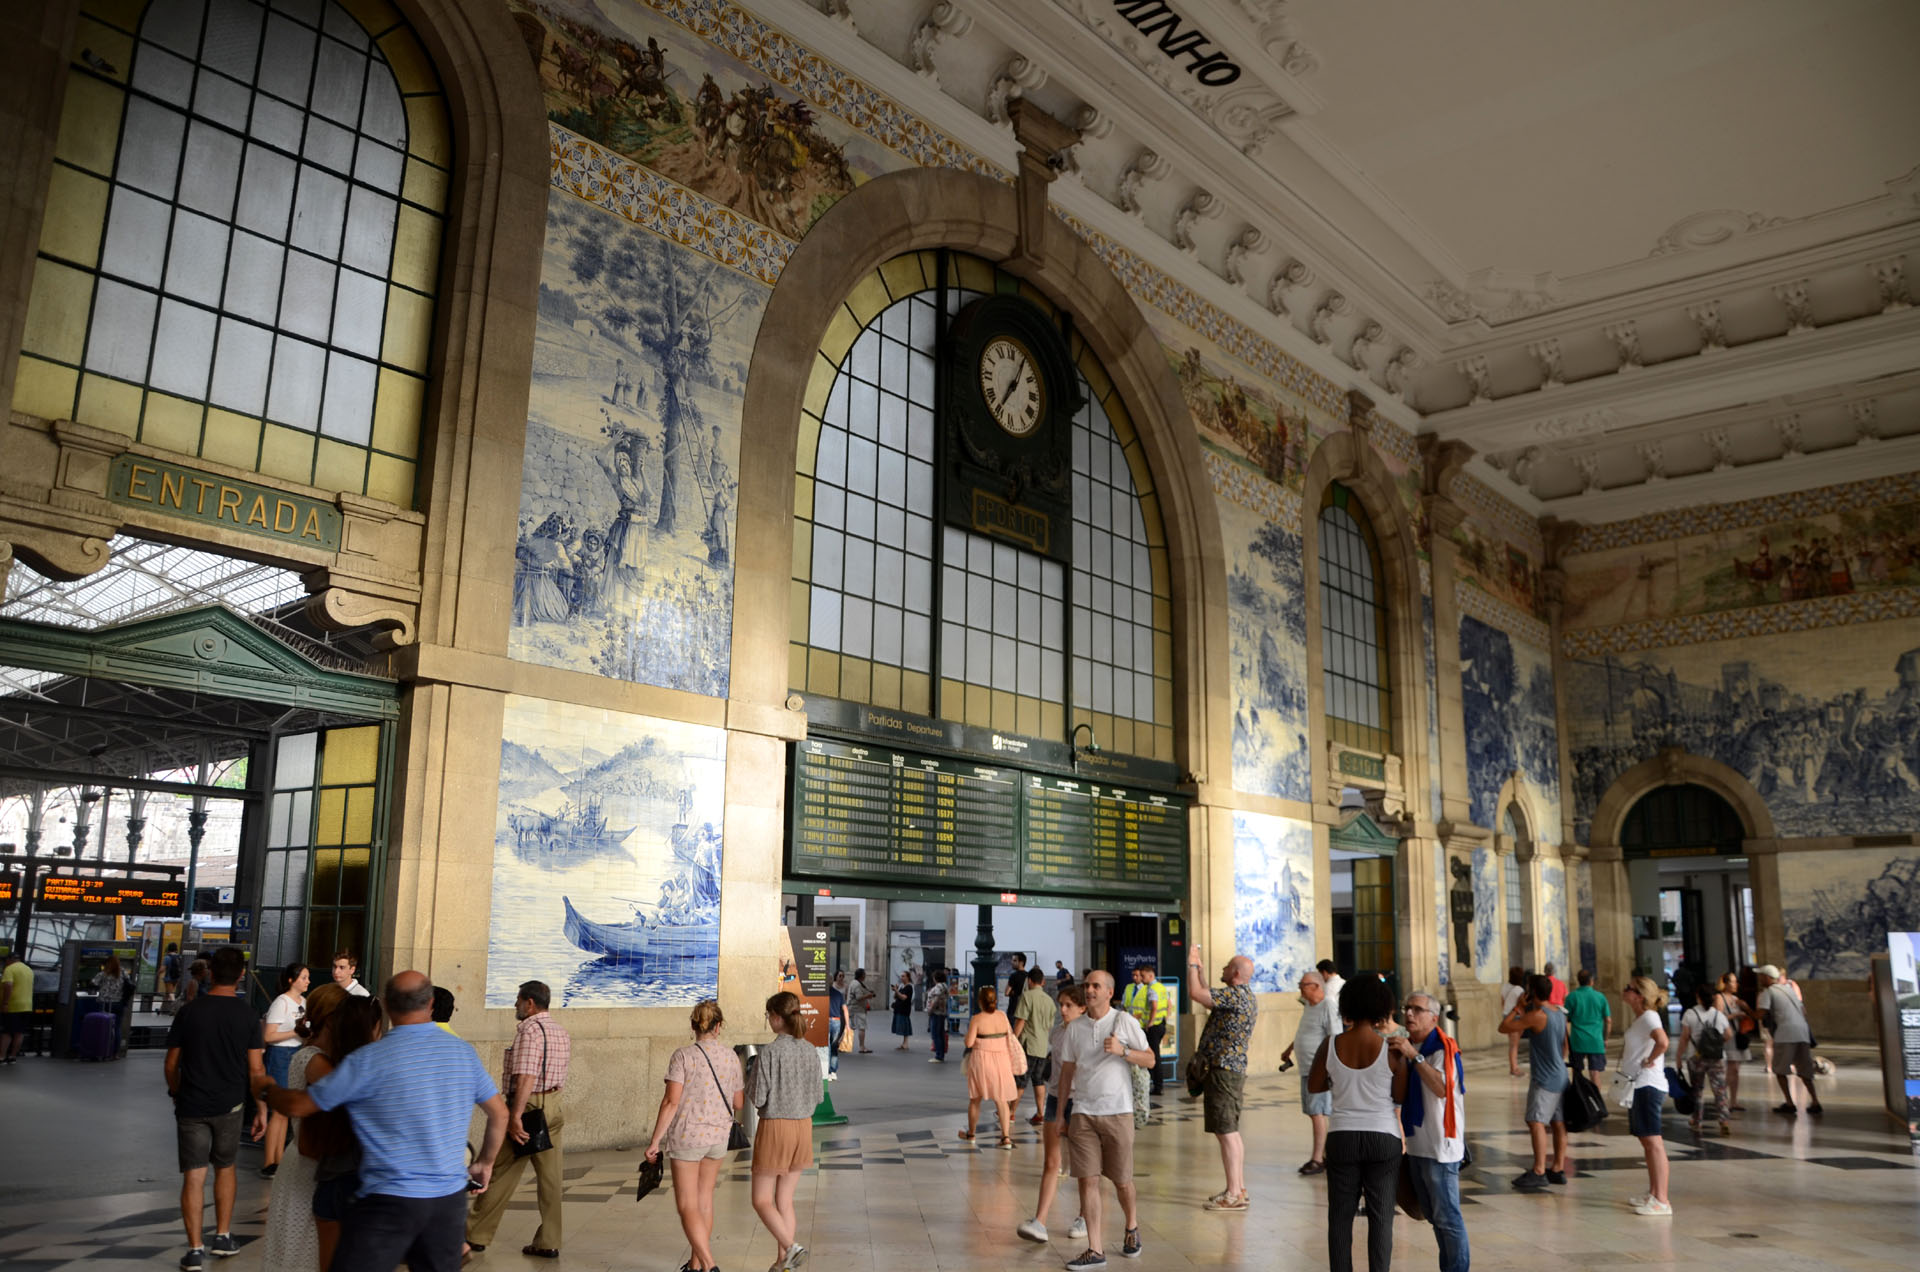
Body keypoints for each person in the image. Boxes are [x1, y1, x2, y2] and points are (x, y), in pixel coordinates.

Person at [256, 972, 509, 1272]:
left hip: (389, 1198)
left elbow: (301, 1105)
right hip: (446, 1200)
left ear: (387, 1006)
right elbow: (499, 1113)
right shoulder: (463, 1052)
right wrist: (485, 1162)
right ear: (430, 1004)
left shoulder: (368, 1060)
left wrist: (264, 1087)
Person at [165, 946, 266, 1271]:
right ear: (240, 976)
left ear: (209, 972)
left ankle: (194, 1249)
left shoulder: (190, 1012)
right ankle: (222, 1236)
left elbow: (171, 1064)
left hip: (192, 1104)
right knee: (226, 1167)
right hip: (231, 1104)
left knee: (193, 1177)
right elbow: (256, 1070)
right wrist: (261, 1108)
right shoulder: (248, 1016)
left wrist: (177, 1091)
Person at [1054, 970, 1154, 1269]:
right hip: (1083, 1111)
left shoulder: (1123, 1021)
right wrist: (1061, 1114)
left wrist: (1123, 1051)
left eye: (1096, 986)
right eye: (1087, 986)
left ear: (1109, 992)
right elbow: (1067, 1073)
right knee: (1088, 1179)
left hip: (1117, 1111)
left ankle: (1132, 1226)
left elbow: (1149, 1059)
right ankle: (1095, 1249)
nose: (1090, 990)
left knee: (1122, 1181)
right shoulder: (1075, 1029)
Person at [1310, 973, 1407, 1272]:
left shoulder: (1330, 1044)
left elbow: (1315, 1086)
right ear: (1382, 1007)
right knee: (1381, 1218)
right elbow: (1399, 1095)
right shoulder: (1392, 1050)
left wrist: (1340, 1079)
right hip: (1383, 1136)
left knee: (1340, 1217)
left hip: (1342, 1136)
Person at [466, 980, 570, 1259]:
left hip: (529, 1107)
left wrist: (514, 1117)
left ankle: (474, 1234)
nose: (515, 1004)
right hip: (554, 1106)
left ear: (530, 1003)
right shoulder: (560, 1031)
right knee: (551, 1180)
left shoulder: (530, 1032)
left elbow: (526, 1077)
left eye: (518, 999)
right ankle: (549, 1241)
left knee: (500, 1172)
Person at [644, 999, 743, 1272]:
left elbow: (670, 1102)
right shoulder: (731, 1057)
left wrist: (655, 1141)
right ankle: (695, 1265)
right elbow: (738, 1103)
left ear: (693, 1025)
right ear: (719, 1026)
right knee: (704, 1201)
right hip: (719, 1138)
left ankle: (709, 1265)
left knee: (687, 1204)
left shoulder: (683, 1056)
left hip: (688, 1138)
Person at [257, 982, 349, 1272]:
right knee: (307, 1253)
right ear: (334, 1019)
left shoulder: (316, 1055)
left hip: (304, 1162)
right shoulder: (316, 1060)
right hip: (310, 1168)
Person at [306, 994, 388, 1270]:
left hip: (332, 1176)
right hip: (373, 1182)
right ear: (374, 1027)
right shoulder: (380, 1071)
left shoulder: (324, 1066)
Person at [1392, 991, 1469, 1272]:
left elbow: (1441, 1088)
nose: (1409, 1014)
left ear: (1434, 1017)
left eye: (1417, 1009)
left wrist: (1414, 1056)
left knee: (1448, 1218)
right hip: (1417, 1145)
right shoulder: (1414, 1046)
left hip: (1440, 1147)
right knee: (1436, 1219)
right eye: (1406, 1008)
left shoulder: (1443, 1049)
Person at [749, 991, 817, 1272]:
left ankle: (790, 1247)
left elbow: (758, 1097)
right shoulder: (810, 1050)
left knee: (761, 1199)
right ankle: (782, 1264)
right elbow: (817, 1096)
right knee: (784, 1199)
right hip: (803, 1127)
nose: (768, 1020)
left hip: (776, 1127)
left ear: (777, 1018)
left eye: (768, 1015)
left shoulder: (769, 1053)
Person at [1186, 944, 1257, 1211]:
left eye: (1227, 966)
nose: (1223, 969)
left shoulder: (1236, 996)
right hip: (1230, 1071)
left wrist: (1192, 964)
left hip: (1224, 1072)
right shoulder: (1240, 995)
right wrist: (1201, 972)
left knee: (1226, 1132)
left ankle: (1234, 1194)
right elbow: (1205, 994)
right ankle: (1237, 1189)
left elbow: (1195, 994)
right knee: (1230, 1132)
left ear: (1236, 973)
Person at [1017, 983, 1089, 1245]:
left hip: (1080, 1102)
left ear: (1083, 1007)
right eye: (1061, 1004)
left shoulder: (1088, 1034)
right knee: (1051, 1162)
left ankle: (1084, 1216)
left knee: (1084, 1166)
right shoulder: (1058, 1033)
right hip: (1055, 1099)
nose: (1063, 1009)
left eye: (1069, 1005)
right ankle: (1040, 1221)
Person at [1501, 973, 1569, 1192]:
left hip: (1545, 1077)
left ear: (1531, 992)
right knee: (1558, 1123)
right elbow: (1565, 1044)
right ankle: (1557, 1168)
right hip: (1560, 1073)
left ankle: (1539, 1170)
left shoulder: (1538, 1015)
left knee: (1535, 1120)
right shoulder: (1559, 1013)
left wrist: (1518, 1007)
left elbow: (1505, 1027)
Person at [1620, 976, 1672, 1216]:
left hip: (1648, 1085)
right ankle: (1653, 1193)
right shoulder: (1641, 1018)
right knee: (1646, 1141)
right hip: (1638, 1085)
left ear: (1639, 996)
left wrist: (1650, 1061)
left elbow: (1663, 1042)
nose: (1624, 990)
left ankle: (1662, 1200)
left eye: (1629, 988)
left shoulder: (1650, 1017)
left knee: (1654, 1142)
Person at [1282, 970, 1335, 1175]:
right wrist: (1290, 1049)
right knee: (1314, 1112)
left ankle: (1318, 1158)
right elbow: (1305, 1032)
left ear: (1316, 987)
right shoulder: (1309, 1007)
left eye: (1303, 985)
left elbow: (1334, 1036)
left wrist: (1328, 1067)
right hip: (1307, 1068)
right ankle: (1322, 1155)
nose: (1300, 988)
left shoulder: (1327, 1006)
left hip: (1319, 1069)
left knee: (1317, 1112)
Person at [259, 961, 309, 1179]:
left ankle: (279, 1159)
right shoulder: (282, 1002)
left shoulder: (304, 1002)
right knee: (278, 1111)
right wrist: (294, 1033)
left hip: (296, 1053)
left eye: (308, 977)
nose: (308, 981)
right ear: (291, 980)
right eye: (303, 977)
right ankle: (270, 1161)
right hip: (281, 1055)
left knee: (287, 1111)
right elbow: (269, 1036)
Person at [1754, 964, 1821, 1115]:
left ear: (1767, 977)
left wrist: (1745, 1009)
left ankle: (1790, 1103)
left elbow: (1759, 1014)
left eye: (1761, 976)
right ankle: (1815, 1101)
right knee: (1805, 1070)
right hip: (1802, 1032)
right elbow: (1803, 1010)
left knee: (1780, 1069)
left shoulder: (1768, 992)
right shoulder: (1789, 989)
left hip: (1785, 1034)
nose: (1759, 978)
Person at [962, 985, 1018, 1149]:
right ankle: (1006, 1137)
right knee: (1001, 1100)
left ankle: (971, 1134)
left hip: (981, 1060)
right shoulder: (1002, 1016)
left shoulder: (977, 1019)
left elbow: (969, 1043)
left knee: (975, 1099)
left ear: (980, 1001)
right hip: (1001, 1060)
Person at [1675, 983, 1733, 1136]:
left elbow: (1684, 1038)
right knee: (1720, 1090)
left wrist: (1678, 1057)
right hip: (1717, 1058)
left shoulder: (1690, 1014)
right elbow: (1728, 1035)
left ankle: (1697, 1120)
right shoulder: (1719, 1015)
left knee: (1697, 1090)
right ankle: (1724, 1121)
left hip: (1696, 1057)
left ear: (1698, 997)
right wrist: (1715, 1044)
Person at [1015, 966, 1058, 1125]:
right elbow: (1049, 1026)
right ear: (1044, 982)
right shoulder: (1049, 1001)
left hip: (1028, 1045)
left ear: (1030, 981)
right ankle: (1040, 1113)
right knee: (1038, 1080)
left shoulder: (1027, 996)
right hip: (1042, 1046)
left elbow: (1021, 1021)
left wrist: (1013, 1040)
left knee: (1021, 1080)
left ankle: (1010, 1113)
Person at [1122, 963, 1172, 1095]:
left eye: (1143, 976)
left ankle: (1157, 1085)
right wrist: (1164, 1018)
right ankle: (1156, 1084)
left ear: (1150, 975)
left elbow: (1154, 1006)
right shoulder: (1160, 987)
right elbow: (1169, 1004)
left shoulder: (1151, 988)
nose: (1141, 979)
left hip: (1152, 1026)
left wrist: (1150, 1023)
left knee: (1152, 1056)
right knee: (1154, 1055)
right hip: (1159, 1024)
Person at [1713, 971, 1754, 1111]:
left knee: (1735, 1070)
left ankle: (1733, 1100)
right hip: (1727, 1037)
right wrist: (1736, 1015)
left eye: (1736, 981)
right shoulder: (1719, 998)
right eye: (1733, 981)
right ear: (1725, 983)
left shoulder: (1736, 999)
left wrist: (1744, 1010)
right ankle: (1723, 1098)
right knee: (1731, 1069)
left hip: (1737, 1036)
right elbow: (1717, 1017)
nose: (1736, 984)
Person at [1564, 968, 1611, 1077]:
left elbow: (1565, 1019)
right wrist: (1606, 1039)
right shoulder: (1600, 997)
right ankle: (1596, 1094)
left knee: (1577, 1072)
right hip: (1596, 1041)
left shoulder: (1572, 997)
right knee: (1595, 1073)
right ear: (1591, 981)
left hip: (1577, 1041)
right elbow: (1608, 1020)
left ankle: (1579, 1093)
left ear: (1578, 981)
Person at [93, 952, 133, 1057]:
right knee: (117, 1028)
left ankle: (102, 1050)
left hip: (104, 1003)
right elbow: (130, 984)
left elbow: (93, 983)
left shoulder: (103, 973)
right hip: (118, 1003)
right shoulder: (123, 972)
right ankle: (115, 1053)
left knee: (103, 1026)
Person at [2, 950, 33, 1063]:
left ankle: (1, 1057)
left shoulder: (10, 969)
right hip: (27, 1005)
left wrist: (5, 1003)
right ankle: (13, 1056)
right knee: (19, 1032)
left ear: (9, 960)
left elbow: (8, 985)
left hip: (13, 1005)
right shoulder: (28, 969)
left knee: (7, 1032)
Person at [1501, 966, 1527, 1075]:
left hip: (1506, 1015)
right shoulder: (1520, 990)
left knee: (1512, 1044)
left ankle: (1514, 1067)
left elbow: (1502, 1002)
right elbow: (1523, 1004)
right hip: (1515, 1017)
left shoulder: (1504, 987)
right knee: (1514, 1045)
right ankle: (1514, 1068)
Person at [847, 968, 876, 1052]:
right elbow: (859, 997)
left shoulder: (855, 982)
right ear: (862, 975)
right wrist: (868, 996)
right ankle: (862, 1047)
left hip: (853, 1008)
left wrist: (868, 992)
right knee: (862, 1028)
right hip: (857, 1009)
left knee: (848, 1027)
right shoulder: (857, 985)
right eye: (864, 974)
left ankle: (839, 1043)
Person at [926, 970, 951, 1063]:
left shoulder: (938, 987)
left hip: (936, 1012)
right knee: (940, 1034)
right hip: (942, 1012)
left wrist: (930, 1009)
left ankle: (938, 1056)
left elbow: (936, 999)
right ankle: (941, 1054)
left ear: (936, 978)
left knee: (935, 1034)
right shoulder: (945, 986)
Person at [827, 972, 848, 1078]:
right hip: (836, 1021)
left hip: (826, 1021)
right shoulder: (838, 994)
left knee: (827, 1046)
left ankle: (827, 1071)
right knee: (834, 1046)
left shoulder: (822, 994)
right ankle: (833, 1071)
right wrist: (847, 1025)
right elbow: (845, 1009)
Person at [1317, 958, 1348, 1026]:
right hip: (1347, 1019)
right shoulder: (1344, 982)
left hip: (1335, 1022)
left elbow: (1327, 1008)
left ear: (1324, 972)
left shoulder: (1327, 987)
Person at [891, 970, 915, 1050]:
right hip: (899, 1009)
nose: (902, 977)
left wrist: (897, 991)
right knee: (902, 1026)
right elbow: (895, 997)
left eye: (903, 976)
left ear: (908, 977)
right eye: (901, 976)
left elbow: (903, 997)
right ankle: (904, 1043)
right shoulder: (902, 986)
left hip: (904, 1009)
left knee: (905, 1026)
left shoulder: (909, 987)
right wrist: (896, 990)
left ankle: (906, 1043)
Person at [1006, 952, 1030, 1018]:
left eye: (1014, 960)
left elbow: (1006, 993)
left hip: (1014, 1009)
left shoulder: (1013, 976)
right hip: (1025, 1009)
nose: (1012, 962)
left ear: (1021, 962)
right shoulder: (1029, 976)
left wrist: (1013, 992)